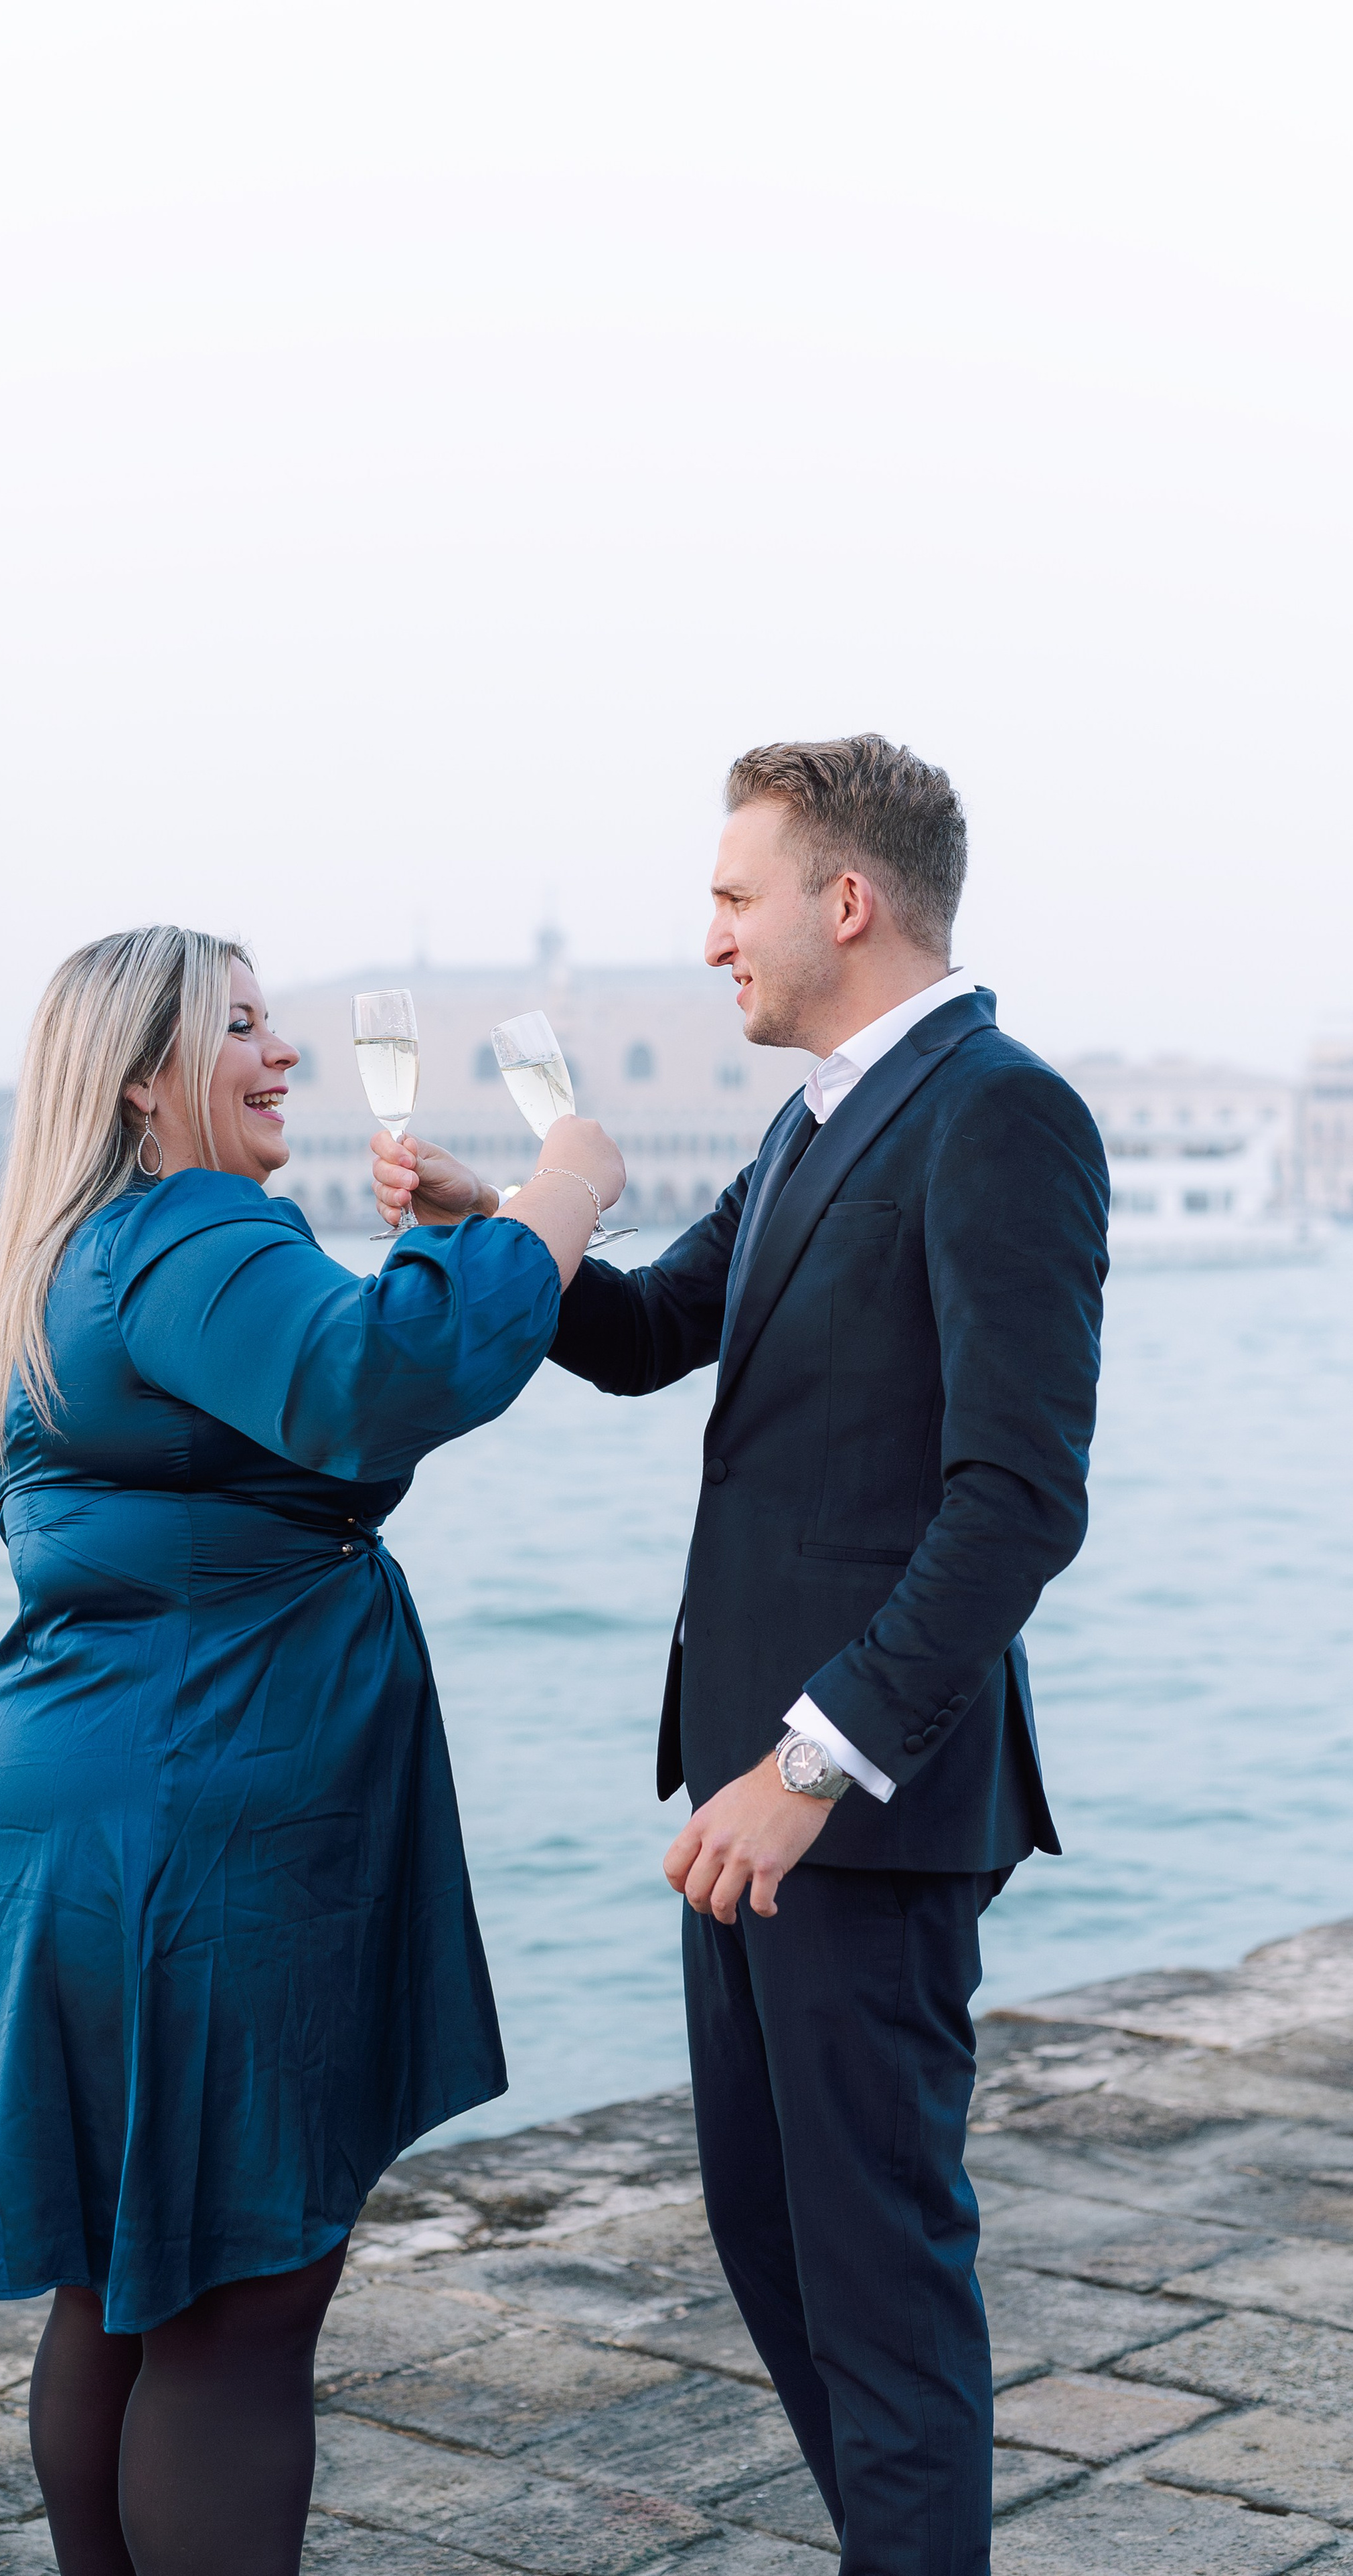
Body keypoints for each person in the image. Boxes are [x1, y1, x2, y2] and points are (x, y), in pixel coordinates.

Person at [370, 736, 1109, 2576]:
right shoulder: (809, 1126)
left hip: (855, 1803)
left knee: (879, 2278)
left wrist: (807, 1764)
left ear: (843, 903)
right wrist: (494, 1220)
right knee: (773, 2243)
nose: (710, 939)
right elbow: (642, 1336)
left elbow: (1016, 1501)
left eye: (731, 898)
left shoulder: (997, 1114)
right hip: (743, 1807)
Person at [0, 924, 623, 2576]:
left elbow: (322, 1385)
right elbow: (374, 1382)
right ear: (147, 1076)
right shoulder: (188, 1230)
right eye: (238, 1025)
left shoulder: (90, 1252)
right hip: (187, 1841)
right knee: (238, 2311)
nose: (281, 1052)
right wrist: (560, 1197)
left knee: (120, 2277)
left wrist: (459, 1244)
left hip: (79, 1823)